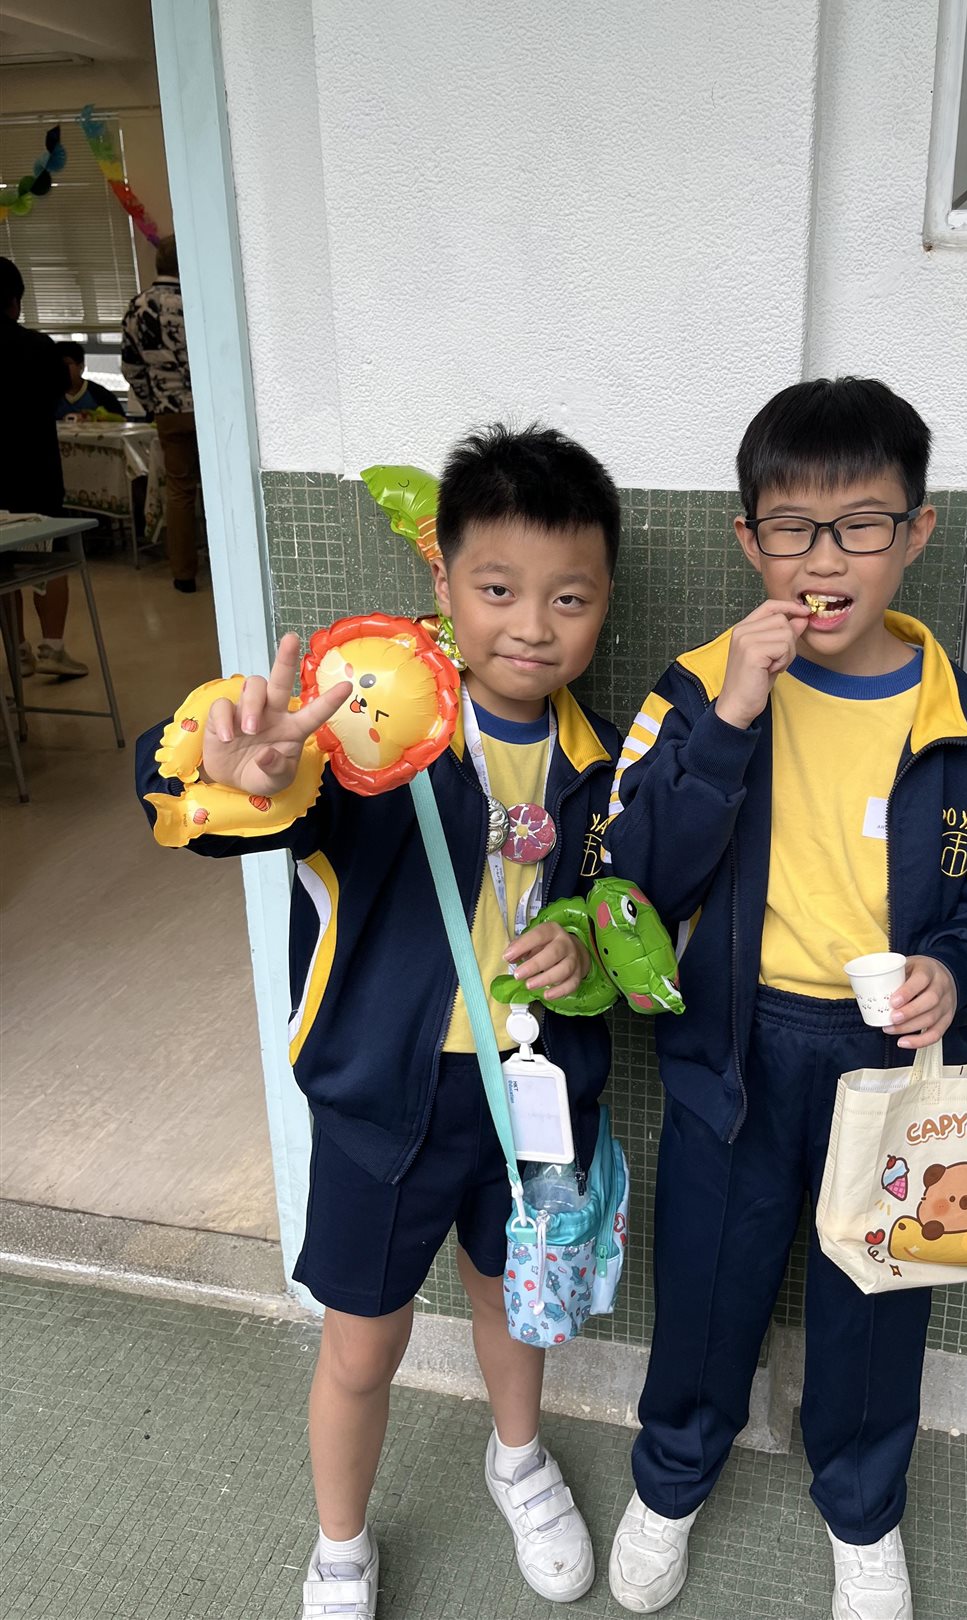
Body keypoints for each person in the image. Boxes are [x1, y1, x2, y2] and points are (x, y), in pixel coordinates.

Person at [136, 424, 622, 1618]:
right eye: (498, 588)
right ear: (442, 579)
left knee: (513, 1295)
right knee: (362, 1342)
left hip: (528, 1092)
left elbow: (624, 916)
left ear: (604, 600)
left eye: (570, 596)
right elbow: (230, 782)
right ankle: (341, 1543)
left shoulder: (596, 759)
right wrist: (237, 773)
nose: (534, 624)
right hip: (381, 1097)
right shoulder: (370, 731)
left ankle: (518, 1457)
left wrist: (584, 950)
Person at [604, 377, 967, 1619]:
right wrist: (734, 716)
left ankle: (862, 1511)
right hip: (732, 1048)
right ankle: (671, 1480)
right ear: (749, 538)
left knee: (876, 1301)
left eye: (861, 524)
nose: (826, 558)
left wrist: (956, 968)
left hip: (892, 1063)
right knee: (706, 1285)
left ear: (916, 531)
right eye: (794, 526)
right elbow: (634, 879)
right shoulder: (698, 687)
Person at [0, 255, 88, 679]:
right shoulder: (38, 347)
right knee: (51, 558)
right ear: (15, 302)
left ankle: (17, 650)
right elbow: (60, 393)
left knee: (3, 568)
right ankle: (52, 646)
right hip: (36, 472)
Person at [121, 235, 201, 592]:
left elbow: (130, 367)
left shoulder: (137, 307)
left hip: (167, 411)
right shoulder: (194, 302)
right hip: (206, 412)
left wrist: (152, 402)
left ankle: (184, 574)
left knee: (179, 491)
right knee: (221, 487)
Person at [55, 342, 126, 421]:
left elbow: (122, 420)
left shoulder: (100, 394)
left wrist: (95, 417)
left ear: (81, 366)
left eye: (66, 364)